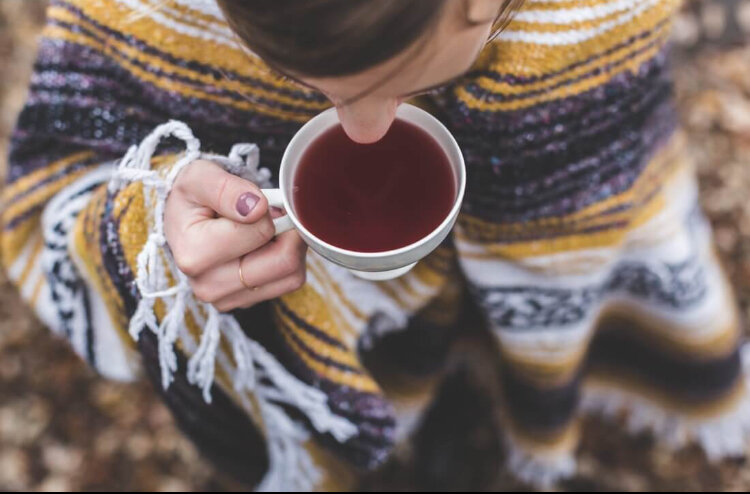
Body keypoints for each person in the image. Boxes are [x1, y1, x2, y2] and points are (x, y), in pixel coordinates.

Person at [4, 0, 748, 490]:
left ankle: (469, 401)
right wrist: (150, 221)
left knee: (475, 375)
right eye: (306, 84)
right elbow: (57, 183)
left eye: (395, 82)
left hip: (534, 280)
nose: (361, 130)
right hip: (352, 317)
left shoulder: (603, 13)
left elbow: (612, 142)